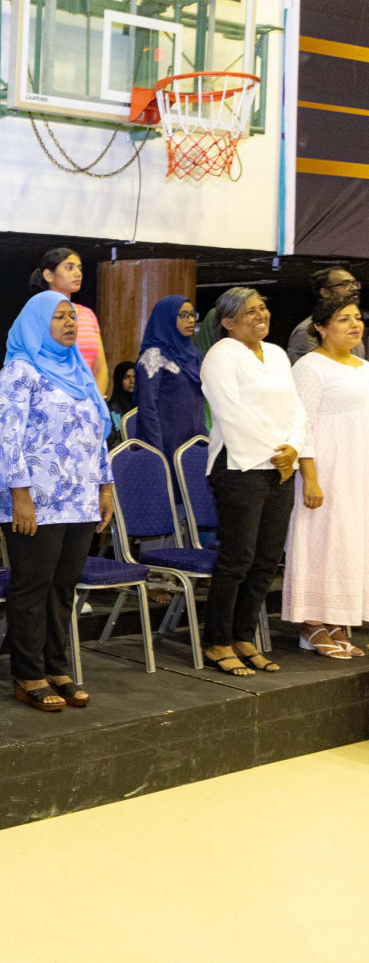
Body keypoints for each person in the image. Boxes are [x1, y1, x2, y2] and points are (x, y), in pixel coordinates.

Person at [0, 291, 114, 711]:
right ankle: (28, 674)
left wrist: (105, 487)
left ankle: (56, 667)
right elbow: (7, 440)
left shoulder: (78, 371)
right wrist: (19, 495)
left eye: (72, 317)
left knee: (63, 588)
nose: (68, 323)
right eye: (59, 317)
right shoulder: (19, 373)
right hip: (34, 501)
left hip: (78, 499)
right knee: (32, 587)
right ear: (37, 323)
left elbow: (98, 434)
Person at [200, 287, 308, 676]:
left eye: (263, 307)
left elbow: (297, 408)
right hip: (240, 466)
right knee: (237, 559)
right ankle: (217, 641)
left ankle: (244, 636)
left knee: (265, 560)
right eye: (250, 311)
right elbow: (232, 413)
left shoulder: (278, 354)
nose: (260, 315)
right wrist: (277, 453)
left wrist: (293, 448)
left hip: (280, 466)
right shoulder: (220, 355)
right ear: (228, 322)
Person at [284, 294, 369, 659]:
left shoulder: (363, 366)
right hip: (324, 467)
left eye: (357, 318)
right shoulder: (310, 367)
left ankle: (336, 620)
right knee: (320, 540)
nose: (355, 325)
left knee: (348, 544)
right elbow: (300, 424)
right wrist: (312, 478)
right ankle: (311, 623)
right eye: (343, 319)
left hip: (355, 467)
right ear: (319, 327)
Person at [133, 295, 207, 464]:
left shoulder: (195, 355)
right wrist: (155, 451)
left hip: (194, 440)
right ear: (165, 319)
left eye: (192, 315)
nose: (190, 321)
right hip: (165, 444)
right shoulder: (154, 356)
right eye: (183, 315)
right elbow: (147, 406)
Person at [32, 247, 108, 396]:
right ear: (49, 275)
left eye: (79, 268)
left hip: (88, 405)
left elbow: (101, 367)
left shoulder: (87, 314)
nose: (78, 273)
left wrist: (94, 402)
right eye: (69, 268)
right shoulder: (38, 313)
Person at [286, 266, 363, 363]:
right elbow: (307, 370)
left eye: (354, 283)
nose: (354, 287)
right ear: (325, 292)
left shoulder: (355, 327)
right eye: (345, 284)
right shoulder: (307, 330)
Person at [108, 360, 137, 436]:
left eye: (135, 376)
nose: (132, 381)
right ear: (119, 380)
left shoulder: (144, 404)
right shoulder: (113, 408)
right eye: (126, 377)